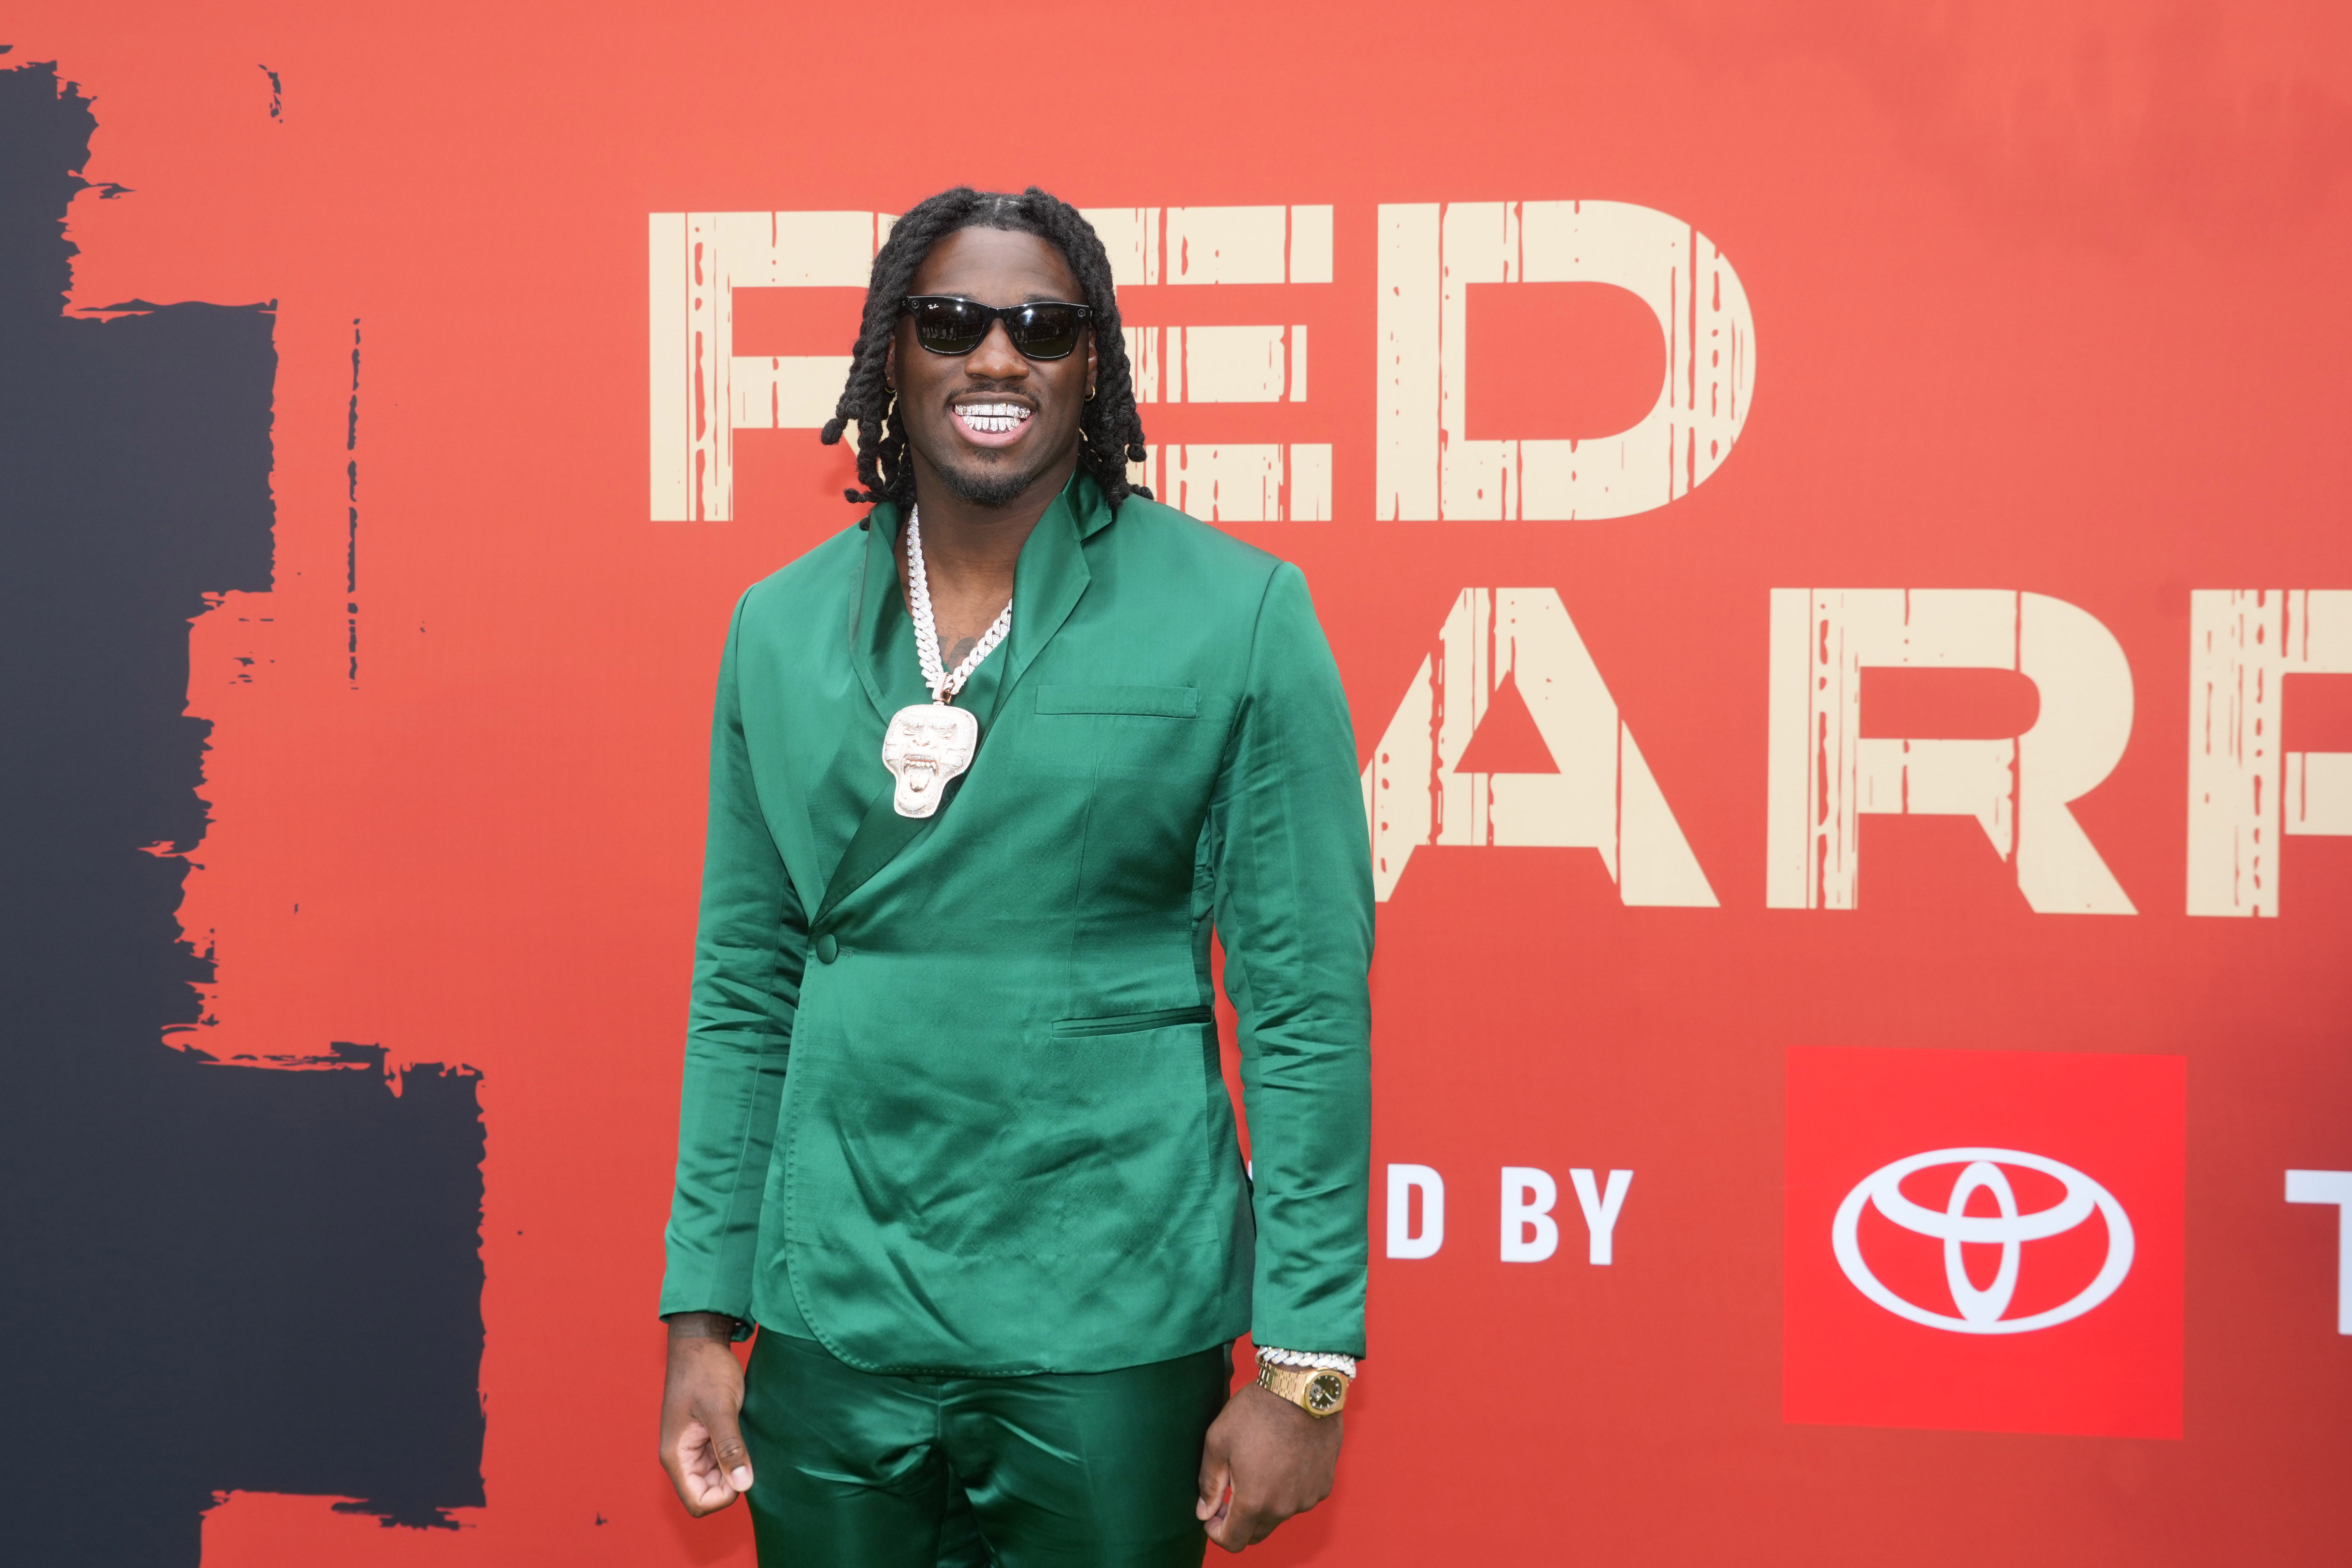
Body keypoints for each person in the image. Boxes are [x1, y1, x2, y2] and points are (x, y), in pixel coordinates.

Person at [654, 185, 1373, 1564]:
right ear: (891, 358)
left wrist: (1302, 1370)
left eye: (1042, 326)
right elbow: (745, 987)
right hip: (830, 1318)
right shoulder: (779, 626)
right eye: (953, 323)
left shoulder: (1240, 614)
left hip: (1106, 1322)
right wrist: (705, 1311)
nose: (998, 359)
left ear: (1092, 363)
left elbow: (1303, 1012)